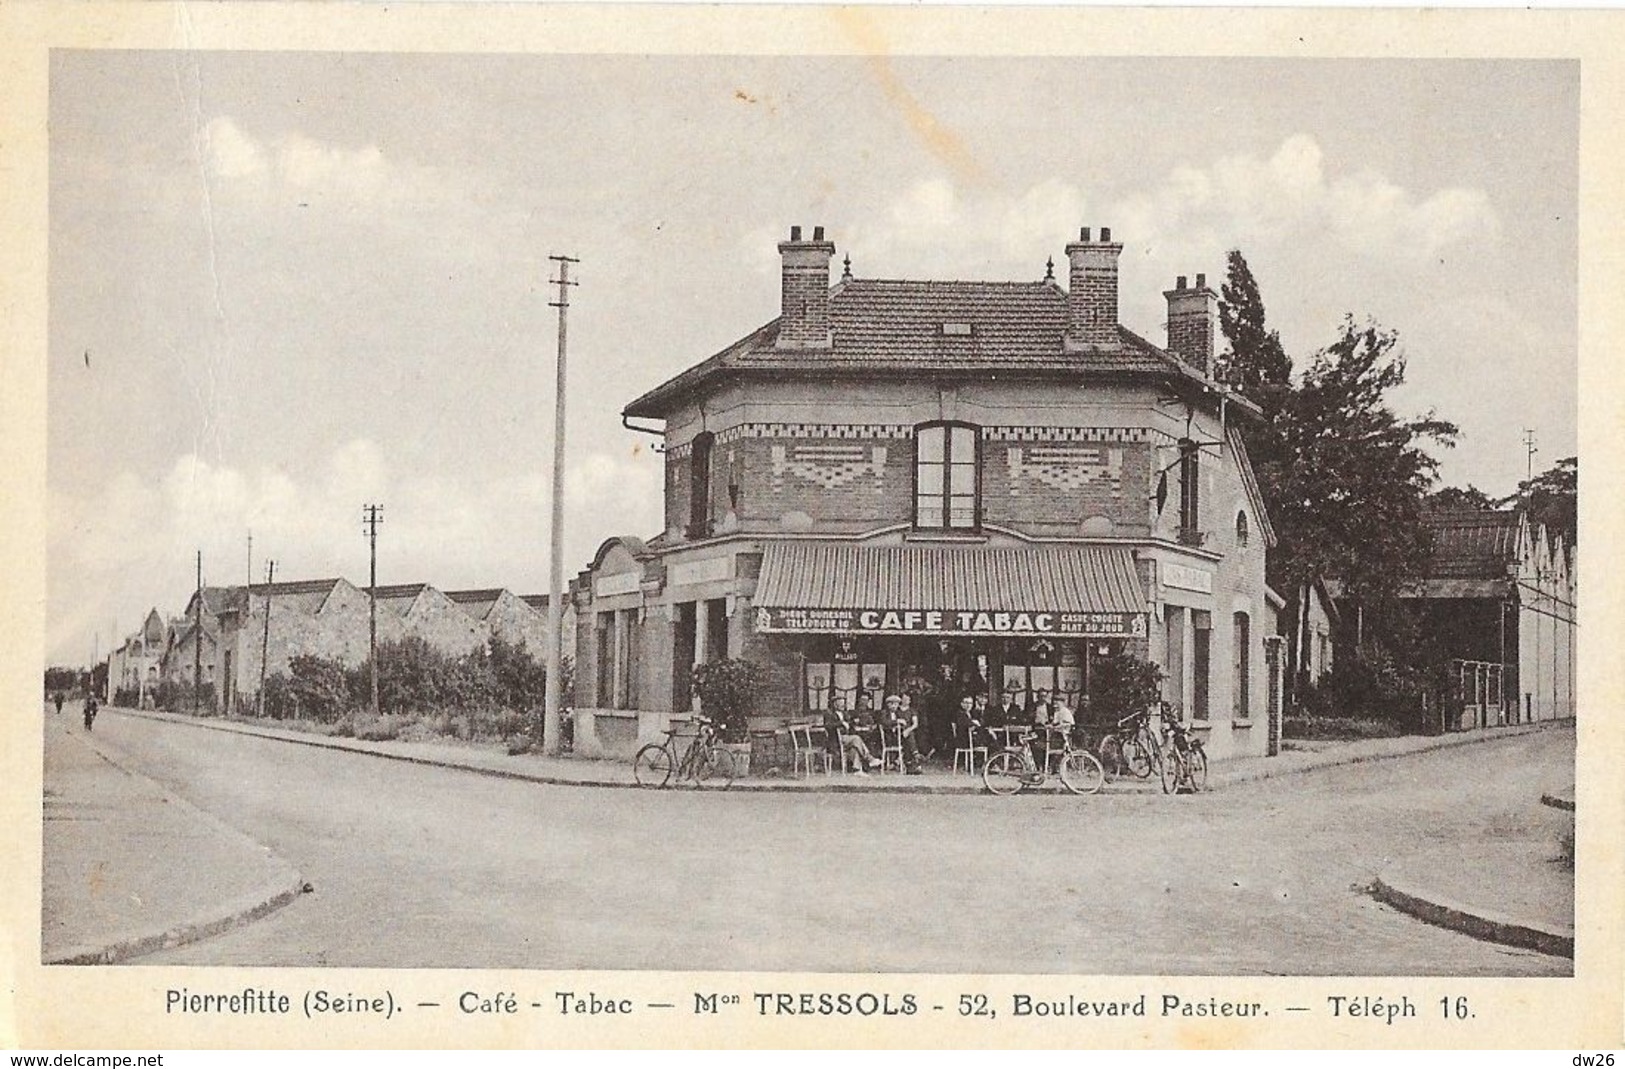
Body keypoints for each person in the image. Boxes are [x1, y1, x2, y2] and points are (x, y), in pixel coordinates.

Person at [822, 694, 880, 774]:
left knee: (855, 748)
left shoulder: (845, 713)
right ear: (835, 704)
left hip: (846, 739)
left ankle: (857, 770)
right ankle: (870, 759)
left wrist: (854, 723)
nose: (843, 705)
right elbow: (828, 725)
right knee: (856, 738)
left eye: (843, 703)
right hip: (835, 739)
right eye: (840, 703)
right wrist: (841, 722)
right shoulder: (829, 714)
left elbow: (849, 724)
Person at [879, 693, 922, 774]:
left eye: (896, 704)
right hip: (889, 739)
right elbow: (884, 722)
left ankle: (901, 762)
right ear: (888, 704)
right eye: (892, 704)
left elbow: (903, 725)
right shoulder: (884, 713)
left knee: (908, 736)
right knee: (909, 738)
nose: (894, 706)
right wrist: (896, 721)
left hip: (899, 738)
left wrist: (905, 729)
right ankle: (914, 755)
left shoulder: (898, 714)